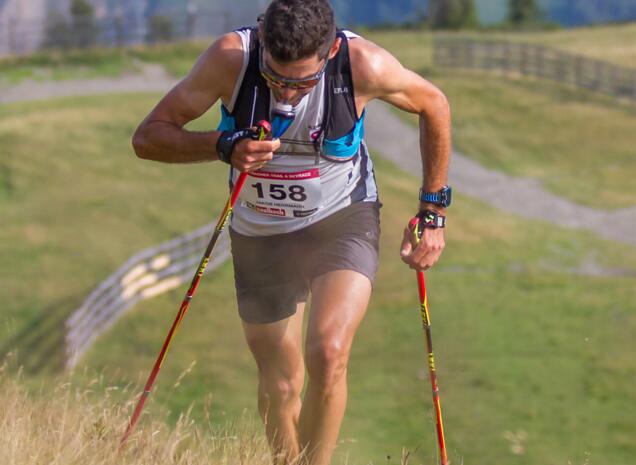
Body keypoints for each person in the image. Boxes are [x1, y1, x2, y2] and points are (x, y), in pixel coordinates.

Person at [130, 0, 452, 463]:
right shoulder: (231, 59)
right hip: (261, 233)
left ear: (331, 51)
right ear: (261, 40)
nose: (286, 95)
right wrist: (222, 146)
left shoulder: (362, 64)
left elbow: (434, 104)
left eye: (302, 83)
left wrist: (432, 213)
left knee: (329, 351)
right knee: (281, 381)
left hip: (342, 217)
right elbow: (148, 137)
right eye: (275, 78)